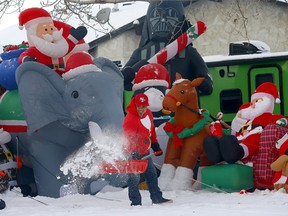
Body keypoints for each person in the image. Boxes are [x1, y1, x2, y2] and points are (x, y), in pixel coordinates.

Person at [123, 93, 172, 206]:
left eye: (143, 107)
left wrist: (155, 144)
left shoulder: (148, 114)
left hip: (144, 150)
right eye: (138, 106)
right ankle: (135, 202)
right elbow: (128, 138)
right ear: (134, 105)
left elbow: (151, 131)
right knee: (134, 178)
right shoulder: (130, 119)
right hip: (131, 152)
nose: (141, 109)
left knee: (151, 174)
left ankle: (156, 197)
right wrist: (133, 152)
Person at [18, 7, 89, 76]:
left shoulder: (58, 46)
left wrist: (74, 38)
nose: (50, 32)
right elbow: (22, 56)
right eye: (46, 29)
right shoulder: (35, 50)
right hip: (45, 76)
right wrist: (26, 59)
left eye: (51, 28)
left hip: (62, 73)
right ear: (34, 33)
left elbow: (66, 48)